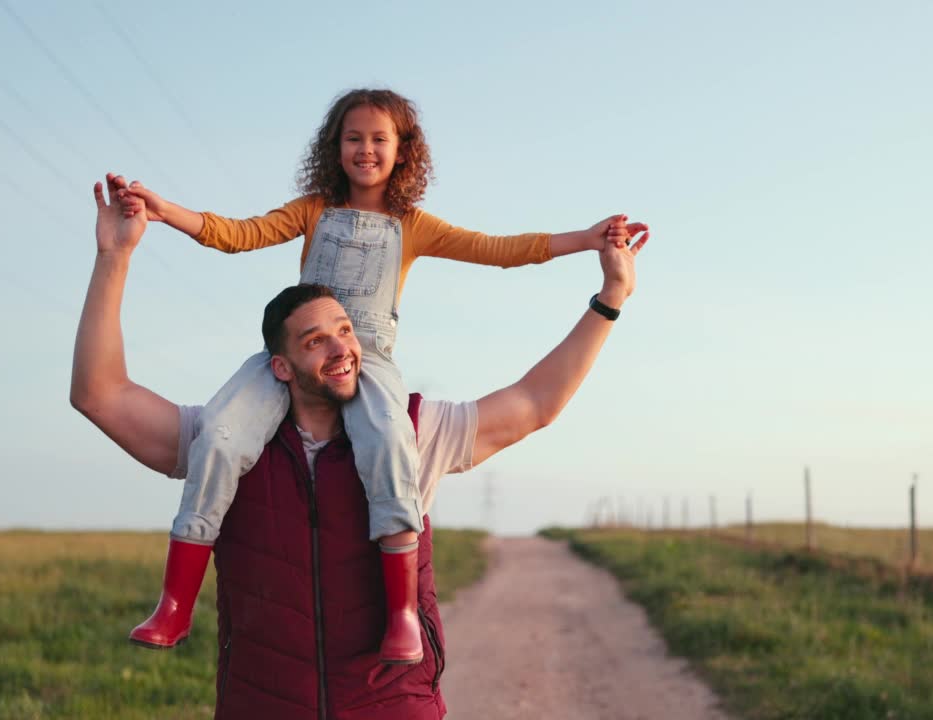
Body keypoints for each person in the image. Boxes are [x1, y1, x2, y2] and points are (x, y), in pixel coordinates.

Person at [71, 175, 646, 718]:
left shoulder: (414, 430)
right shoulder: (220, 440)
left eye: (345, 331)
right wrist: (114, 256)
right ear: (281, 367)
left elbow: (534, 402)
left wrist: (611, 297)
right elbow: (100, 394)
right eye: (315, 341)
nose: (342, 349)